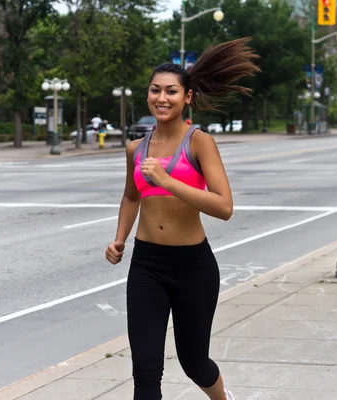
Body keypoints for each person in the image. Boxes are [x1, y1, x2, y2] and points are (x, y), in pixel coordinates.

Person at [105, 37, 260, 400]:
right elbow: (131, 196)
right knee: (145, 373)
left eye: (171, 91)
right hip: (147, 265)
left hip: (193, 267)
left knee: (194, 362)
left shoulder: (199, 142)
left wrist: (168, 181)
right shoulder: (135, 149)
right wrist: (120, 238)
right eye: (155, 90)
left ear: (187, 97)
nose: (162, 98)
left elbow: (224, 206)